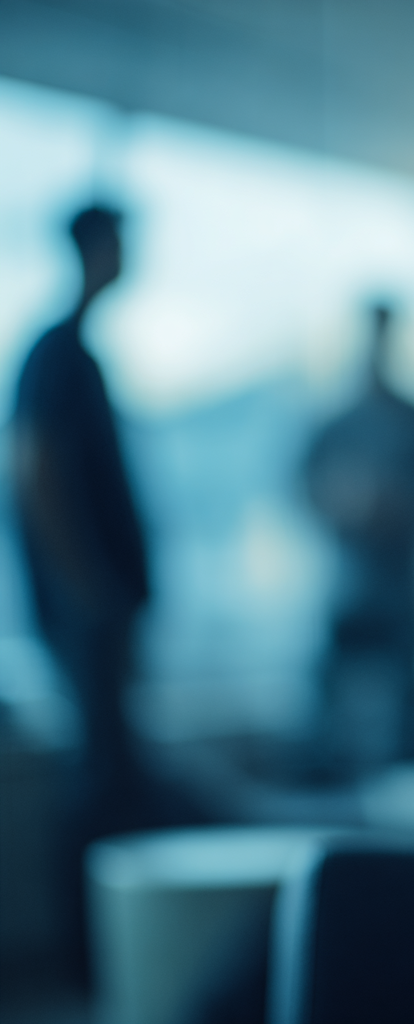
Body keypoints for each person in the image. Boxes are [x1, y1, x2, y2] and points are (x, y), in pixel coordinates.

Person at [12, 205, 152, 838]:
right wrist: (86, 590)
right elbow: (32, 468)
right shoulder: (56, 355)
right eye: (122, 241)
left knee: (115, 773)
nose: (130, 254)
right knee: (99, 783)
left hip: (101, 606)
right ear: (95, 247)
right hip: (86, 609)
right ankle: (90, 934)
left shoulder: (80, 357)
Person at [305, 304, 414, 776]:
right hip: (346, 589)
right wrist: (345, 506)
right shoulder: (332, 426)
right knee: (326, 718)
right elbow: (304, 492)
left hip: (401, 592)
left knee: (408, 719)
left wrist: (397, 509)